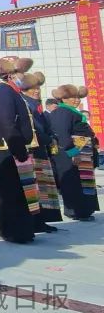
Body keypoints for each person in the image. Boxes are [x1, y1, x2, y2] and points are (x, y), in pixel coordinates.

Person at [0, 56, 40, 244]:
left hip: (16, 147)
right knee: (12, 192)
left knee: (20, 192)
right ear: (10, 75)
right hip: (9, 148)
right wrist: (18, 149)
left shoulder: (13, 91)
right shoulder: (2, 91)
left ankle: (22, 230)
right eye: (20, 73)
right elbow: (6, 123)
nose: (23, 76)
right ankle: (12, 231)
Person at [49, 84, 98, 221]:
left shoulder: (71, 111)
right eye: (72, 97)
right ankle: (76, 211)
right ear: (63, 99)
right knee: (73, 183)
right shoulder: (62, 112)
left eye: (77, 97)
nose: (76, 100)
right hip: (70, 153)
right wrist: (73, 152)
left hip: (81, 151)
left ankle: (84, 210)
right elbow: (62, 134)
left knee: (82, 182)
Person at [21, 72, 62, 230]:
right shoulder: (25, 103)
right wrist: (46, 138)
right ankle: (36, 221)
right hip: (33, 149)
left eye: (38, 88)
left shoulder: (36, 104)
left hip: (41, 148)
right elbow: (33, 128)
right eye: (33, 88)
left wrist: (51, 137)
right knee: (35, 188)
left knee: (44, 188)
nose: (37, 91)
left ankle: (42, 220)